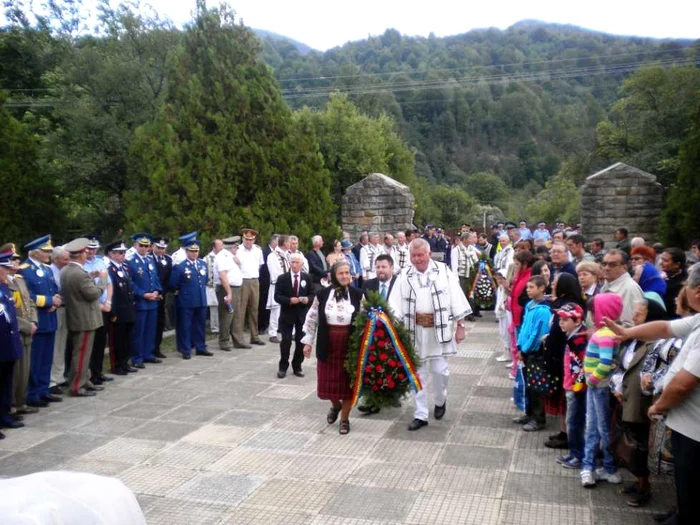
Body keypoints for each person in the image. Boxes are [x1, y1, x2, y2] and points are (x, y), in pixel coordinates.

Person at [604, 264, 700, 525]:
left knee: (690, 479)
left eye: (687, 287)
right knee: (683, 480)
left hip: (695, 430)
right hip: (685, 425)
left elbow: (684, 383)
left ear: (697, 292)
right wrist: (627, 332)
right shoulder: (698, 319)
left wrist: (659, 406)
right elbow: (666, 329)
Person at [389, 238, 471, 431]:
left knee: (440, 371)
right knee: (418, 374)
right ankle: (421, 413)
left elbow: (456, 296)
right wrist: (394, 328)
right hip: (413, 330)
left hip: (438, 330)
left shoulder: (443, 271)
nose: (417, 259)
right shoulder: (403, 275)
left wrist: (460, 325)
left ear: (429, 253)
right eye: (413, 256)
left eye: (420, 255)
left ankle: (440, 400)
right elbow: (394, 304)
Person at [609, 297, 666, 507]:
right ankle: (637, 481)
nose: (633, 317)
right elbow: (622, 364)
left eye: (639, 314)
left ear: (651, 318)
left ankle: (645, 487)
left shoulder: (656, 344)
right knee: (631, 441)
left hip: (641, 403)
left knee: (641, 444)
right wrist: (616, 385)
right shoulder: (634, 338)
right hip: (624, 397)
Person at [302, 261, 364, 435]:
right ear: (333, 276)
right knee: (329, 383)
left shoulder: (358, 295)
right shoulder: (322, 295)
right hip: (328, 343)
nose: (345, 276)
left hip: (350, 345)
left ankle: (344, 419)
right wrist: (307, 342)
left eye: (347, 273)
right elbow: (312, 318)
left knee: (347, 385)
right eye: (341, 273)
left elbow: (368, 318)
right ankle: (335, 406)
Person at [580, 292, 624, 488]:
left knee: (598, 427)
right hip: (598, 386)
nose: (591, 315)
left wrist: (592, 379)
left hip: (598, 387)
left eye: (594, 311)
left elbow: (606, 362)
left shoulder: (605, 334)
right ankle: (603, 466)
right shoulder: (608, 333)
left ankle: (596, 467)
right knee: (598, 426)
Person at [60, 238, 109, 397]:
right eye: (85, 252)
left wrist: (90, 275)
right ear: (81, 255)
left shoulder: (67, 270)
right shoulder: (79, 274)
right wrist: (102, 280)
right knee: (81, 354)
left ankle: (84, 380)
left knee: (81, 353)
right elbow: (93, 294)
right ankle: (77, 386)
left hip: (76, 317)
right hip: (85, 319)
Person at [20, 235, 62, 408]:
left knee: (46, 358)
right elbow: (26, 296)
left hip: (50, 318)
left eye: (50, 251)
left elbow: (55, 289)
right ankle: (33, 394)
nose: (49, 254)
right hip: (37, 318)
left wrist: (57, 299)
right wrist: (50, 301)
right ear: (35, 252)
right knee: (35, 359)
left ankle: (44, 390)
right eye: (46, 251)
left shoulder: (46, 269)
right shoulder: (24, 269)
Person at [514, 275, 553, 431]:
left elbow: (537, 335)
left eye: (531, 287)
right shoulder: (530, 305)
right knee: (527, 385)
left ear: (542, 288)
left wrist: (525, 349)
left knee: (536, 386)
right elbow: (524, 328)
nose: (528, 290)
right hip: (524, 350)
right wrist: (519, 345)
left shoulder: (544, 311)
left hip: (534, 353)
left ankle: (538, 419)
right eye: (527, 287)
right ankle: (528, 414)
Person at [4, 244, 38, 418]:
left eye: (17, 259)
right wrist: (27, 325)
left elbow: (30, 302)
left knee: (24, 371)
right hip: (15, 332)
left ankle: (21, 402)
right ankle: (11, 406)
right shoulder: (3, 285)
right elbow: (8, 313)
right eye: (13, 259)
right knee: (14, 373)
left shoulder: (19, 280)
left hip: (27, 332)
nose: (17, 262)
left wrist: (33, 320)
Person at [554, 303, 588, 470]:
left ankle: (578, 455)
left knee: (574, 422)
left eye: (565, 319)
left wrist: (578, 387)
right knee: (572, 420)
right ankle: (574, 452)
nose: (561, 322)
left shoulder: (578, 339)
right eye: (560, 319)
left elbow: (583, 366)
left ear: (577, 321)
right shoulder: (572, 336)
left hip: (577, 388)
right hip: (571, 385)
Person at [168, 238, 211, 360]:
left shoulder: (203, 265)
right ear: (186, 252)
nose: (194, 253)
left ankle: (200, 347)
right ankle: (186, 349)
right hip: (186, 301)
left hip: (201, 300)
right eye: (191, 251)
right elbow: (172, 284)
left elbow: (205, 280)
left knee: (199, 325)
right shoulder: (180, 267)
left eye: (196, 251)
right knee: (185, 326)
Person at [124, 233, 162, 368]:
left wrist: (157, 290)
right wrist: (143, 294)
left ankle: (148, 354)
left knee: (150, 329)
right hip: (140, 302)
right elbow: (131, 283)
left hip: (152, 301)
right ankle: (137, 357)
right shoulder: (130, 261)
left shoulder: (150, 260)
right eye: (141, 245)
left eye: (146, 246)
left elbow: (155, 278)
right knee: (139, 331)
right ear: (135, 245)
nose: (144, 248)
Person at [275, 253, 313, 378]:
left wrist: (307, 299)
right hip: (287, 314)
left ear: (302, 264)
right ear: (289, 264)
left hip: (302, 314)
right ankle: (283, 366)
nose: (295, 265)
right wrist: (289, 300)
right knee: (285, 341)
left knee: (301, 341)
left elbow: (313, 294)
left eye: (297, 262)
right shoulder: (282, 278)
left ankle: (297, 366)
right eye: (293, 262)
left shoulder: (307, 278)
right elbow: (277, 296)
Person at [84, 237, 113, 386]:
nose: (93, 251)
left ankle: (98, 372)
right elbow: (85, 291)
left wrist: (108, 302)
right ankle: (88, 375)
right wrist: (99, 305)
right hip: (91, 308)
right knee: (90, 343)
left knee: (101, 342)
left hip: (104, 306)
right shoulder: (81, 265)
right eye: (90, 248)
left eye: (95, 248)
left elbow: (108, 284)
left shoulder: (100, 262)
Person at [0, 246, 23, 433]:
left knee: (7, 381)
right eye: (5, 269)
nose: (8, 272)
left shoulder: (4, 288)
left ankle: (5, 415)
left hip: (8, 343)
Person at [104, 241, 136, 376]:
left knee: (127, 338)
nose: (123, 255)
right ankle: (116, 365)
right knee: (117, 339)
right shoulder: (109, 270)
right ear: (111, 254)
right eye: (120, 253)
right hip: (118, 309)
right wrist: (113, 311)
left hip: (128, 308)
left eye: (124, 253)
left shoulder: (125, 268)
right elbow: (111, 292)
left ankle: (125, 362)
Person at [234, 228, 266, 346]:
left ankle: (254, 336)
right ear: (243, 238)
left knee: (254, 309)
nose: (248, 242)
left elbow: (259, 265)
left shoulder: (258, 251)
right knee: (240, 310)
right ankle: (239, 338)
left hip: (254, 281)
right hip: (242, 280)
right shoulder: (237, 250)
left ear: (254, 239)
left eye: (251, 239)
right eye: (246, 239)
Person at [214, 236, 243, 351]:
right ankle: (224, 341)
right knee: (227, 315)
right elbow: (223, 275)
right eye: (236, 246)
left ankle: (237, 340)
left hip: (235, 288)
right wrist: (229, 292)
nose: (237, 248)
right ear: (232, 246)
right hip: (227, 288)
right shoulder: (223, 256)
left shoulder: (231, 256)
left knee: (236, 316)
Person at [601, 249, 644, 325]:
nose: (606, 268)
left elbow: (630, 324)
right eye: (604, 264)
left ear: (624, 267)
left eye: (612, 265)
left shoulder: (630, 289)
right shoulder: (606, 285)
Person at [49, 245, 69, 394]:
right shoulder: (49, 271)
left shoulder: (64, 270)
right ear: (56, 259)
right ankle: (51, 380)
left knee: (62, 343)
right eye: (65, 259)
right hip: (55, 310)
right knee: (55, 345)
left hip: (65, 309)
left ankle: (59, 376)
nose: (68, 261)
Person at [266, 235, 290, 345]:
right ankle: (272, 333)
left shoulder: (286, 255)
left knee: (285, 310)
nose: (290, 244)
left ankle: (284, 330)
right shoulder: (273, 256)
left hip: (286, 286)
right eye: (289, 242)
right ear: (284, 243)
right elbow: (274, 273)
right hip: (278, 286)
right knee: (275, 310)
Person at [451, 232, 480, 321]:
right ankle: (463, 313)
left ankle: (471, 313)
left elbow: (476, 260)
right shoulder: (456, 250)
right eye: (470, 238)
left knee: (471, 294)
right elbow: (454, 265)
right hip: (461, 276)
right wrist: (455, 278)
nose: (471, 240)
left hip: (471, 275)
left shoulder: (472, 249)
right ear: (465, 240)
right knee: (462, 295)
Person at [151, 236, 172, 359]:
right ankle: (148, 349)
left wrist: (162, 293)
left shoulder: (168, 260)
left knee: (160, 323)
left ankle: (156, 348)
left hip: (162, 296)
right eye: (158, 247)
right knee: (150, 324)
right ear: (153, 246)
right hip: (150, 296)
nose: (160, 251)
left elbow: (169, 279)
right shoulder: (149, 259)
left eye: (163, 248)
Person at [258, 234, 278, 336]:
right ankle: (262, 326)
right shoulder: (265, 251)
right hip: (265, 282)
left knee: (274, 306)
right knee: (263, 304)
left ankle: (272, 325)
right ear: (273, 241)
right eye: (278, 241)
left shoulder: (278, 253)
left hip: (274, 283)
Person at [660, 247, 687, 319]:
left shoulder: (682, 283)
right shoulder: (664, 277)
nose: (661, 263)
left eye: (665, 261)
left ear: (677, 264)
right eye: (661, 259)